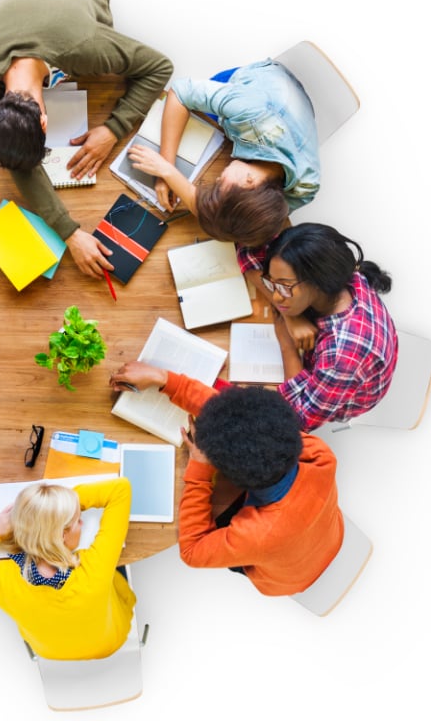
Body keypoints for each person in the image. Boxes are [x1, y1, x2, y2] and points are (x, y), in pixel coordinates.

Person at [0, 0, 174, 277]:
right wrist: (70, 233)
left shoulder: (86, 47)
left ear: (44, 122)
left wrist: (114, 129)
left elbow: (160, 66)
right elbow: (17, 162)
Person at [109, 363, 342, 595]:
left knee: (218, 515)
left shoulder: (257, 535)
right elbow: (243, 421)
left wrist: (200, 468)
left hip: (285, 579)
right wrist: (164, 379)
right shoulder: (320, 455)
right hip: (328, 535)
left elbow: (192, 551)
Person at [0, 478, 135, 660]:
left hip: (48, 652)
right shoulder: (95, 567)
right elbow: (120, 488)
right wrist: (63, 505)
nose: (81, 523)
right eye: (77, 520)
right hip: (110, 643)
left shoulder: (2, 579)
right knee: (119, 571)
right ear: (61, 534)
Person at [126, 59, 320, 248]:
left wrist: (169, 173)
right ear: (249, 180)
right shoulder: (250, 112)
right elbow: (180, 92)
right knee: (201, 112)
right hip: (263, 83)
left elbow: (238, 219)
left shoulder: (306, 188)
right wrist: (165, 162)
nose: (217, 180)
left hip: (291, 111)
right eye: (221, 186)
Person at [251, 223, 398, 431]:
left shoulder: (340, 357)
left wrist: (286, 345)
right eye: (272, 283)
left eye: (284, 286)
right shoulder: (343, 276)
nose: (275, 296)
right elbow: (248, 252)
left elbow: (298, 421)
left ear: (318, 282)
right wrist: (290, 317)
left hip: (346, 392)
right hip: (349, 366)